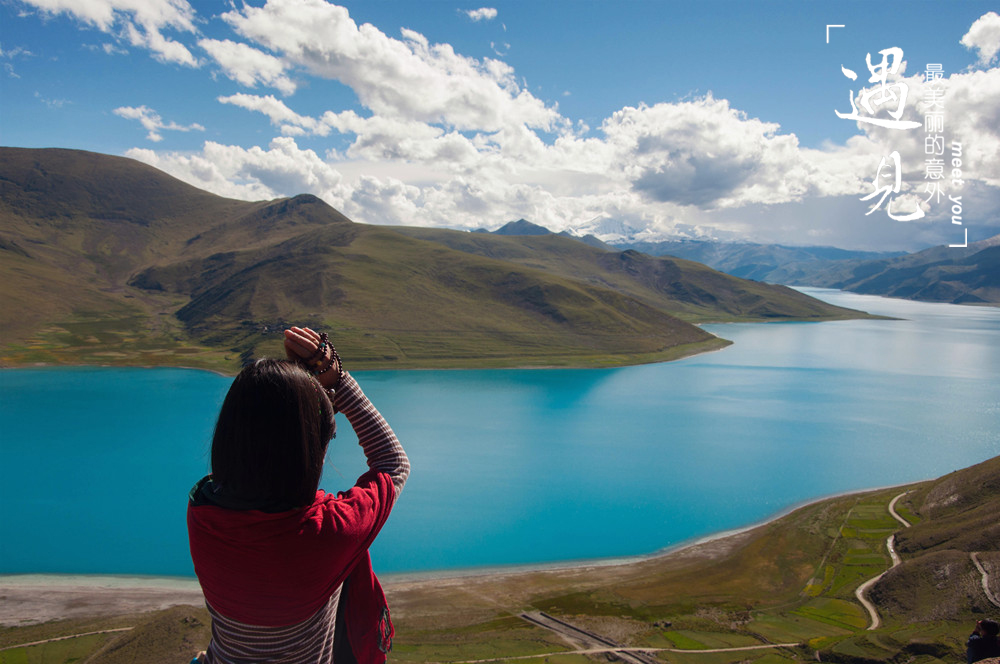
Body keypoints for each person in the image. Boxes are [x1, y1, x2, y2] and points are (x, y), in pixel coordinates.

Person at [187, 326, 410, 664]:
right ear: (309, 450)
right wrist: (337, 381)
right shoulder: (329, 532)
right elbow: (393, 463)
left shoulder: (204, 510)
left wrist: (301, 404)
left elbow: (257, 457)